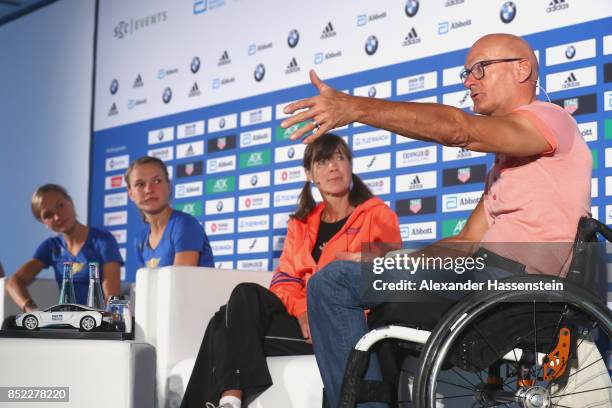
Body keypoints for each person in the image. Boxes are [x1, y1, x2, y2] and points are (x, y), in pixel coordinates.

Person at [280, 33, 593, 407]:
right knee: (341, 285)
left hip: (514, 287)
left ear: (522, 69)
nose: (468, 81)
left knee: (332, 285)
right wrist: (388, 262)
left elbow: (460, 129)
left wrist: (354, 108)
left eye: (480, 69)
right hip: (483, 274)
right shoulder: (507, 163)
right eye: (466, 72)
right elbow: (462, 243)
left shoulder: (549, 119)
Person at [180, 134, 401, 408]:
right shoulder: (301, 223)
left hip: (342, 323)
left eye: (340, 158)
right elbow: (284, 280)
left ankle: (229, 398)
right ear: (310, 174)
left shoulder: (377, 214)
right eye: (323, 161)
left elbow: (383, 275)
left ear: (350, 166)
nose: (333, 167)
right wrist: (303, 311)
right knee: (245, 294)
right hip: (303, 322)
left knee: (222, 321)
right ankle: (229, 400)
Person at [6, 184, 122, 311]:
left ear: (71, 202)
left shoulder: (103, 240)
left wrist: (99, 323)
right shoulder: (50, 247)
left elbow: (112, 297)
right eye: (48, 215)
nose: (57, 216)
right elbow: (13, 282)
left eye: (60, 205)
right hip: (68, 323)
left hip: (98, 323)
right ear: (43, 223)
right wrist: (32, 310)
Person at [125, 156, 214, 268]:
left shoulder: (184, 225)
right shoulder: (140, 239)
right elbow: (147, 284)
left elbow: (180, 283)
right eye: (140, 184)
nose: (149, 190)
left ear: (169, 186)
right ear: (130, 193)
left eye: (157, 181)